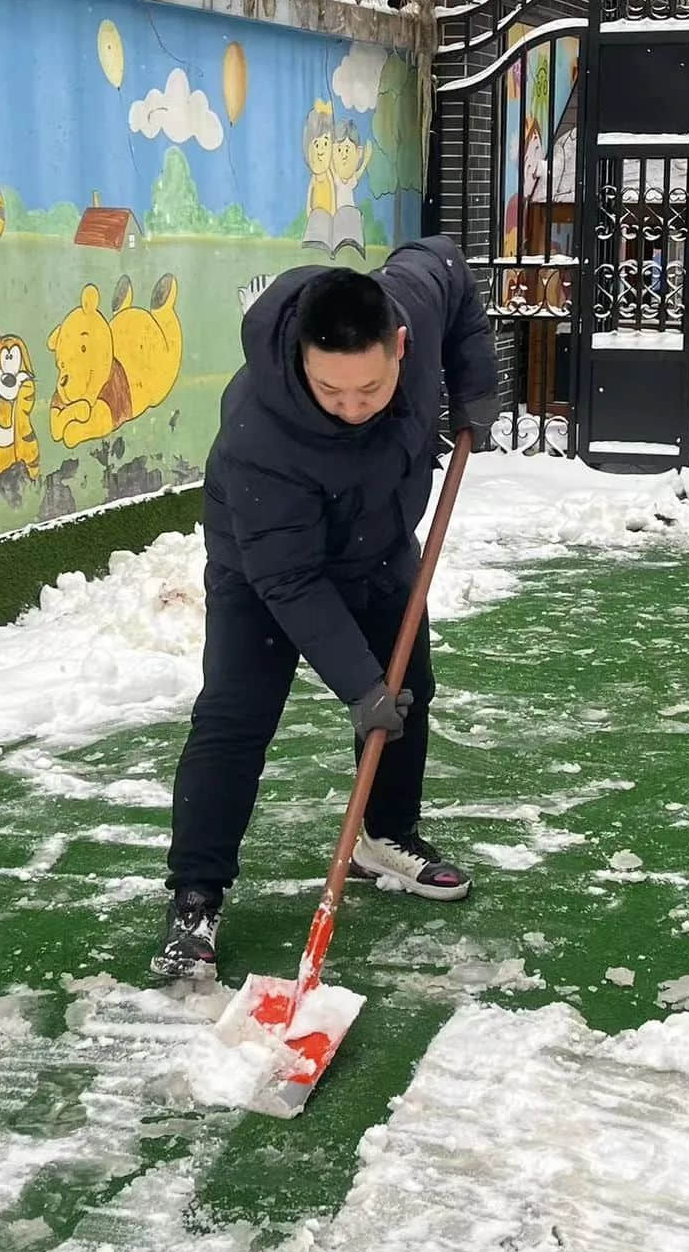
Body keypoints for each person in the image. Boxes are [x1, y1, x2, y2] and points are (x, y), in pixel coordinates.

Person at [151, 237, 500, 979]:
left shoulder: (415, 302)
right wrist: (357, 686)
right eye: (329, 389)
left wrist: (474, 385)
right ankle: (195, 896)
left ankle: (386, 837)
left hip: (377, 544)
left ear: (401, 345)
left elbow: (451, 269)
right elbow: (291, 581)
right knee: (234, 720)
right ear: (300, 361)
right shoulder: (260, 435)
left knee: (408, 694)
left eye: (369, 391)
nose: (349, 407)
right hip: (265, 571)